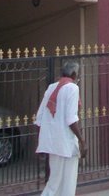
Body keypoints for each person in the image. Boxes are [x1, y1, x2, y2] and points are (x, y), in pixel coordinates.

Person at [35, 61, 86, 196]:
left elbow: (39, 118)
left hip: (53, 143)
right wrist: (82, 141)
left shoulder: (51, 88)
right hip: (67, 143)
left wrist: (42, 142)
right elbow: (71, 119)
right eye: (78, 74)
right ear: (74, 74)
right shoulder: (73, 88)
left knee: (54, 181)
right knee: (67, 182)